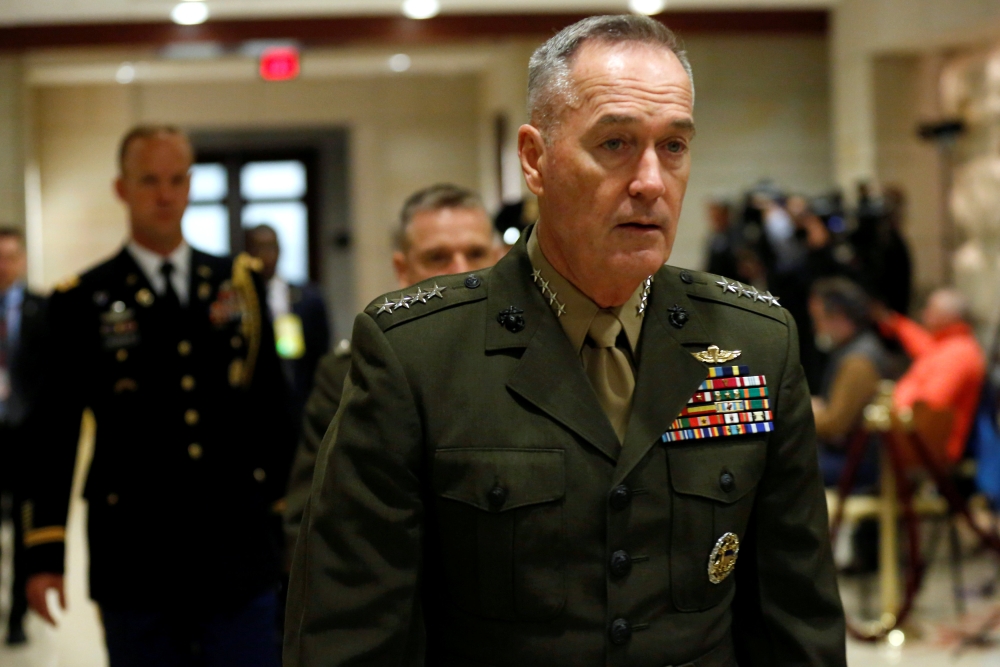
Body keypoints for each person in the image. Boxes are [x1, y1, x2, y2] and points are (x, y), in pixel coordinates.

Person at [285, 15, 845, 666]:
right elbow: (349, 634)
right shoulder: (416, 352)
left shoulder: (754, 339)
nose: (650, 182)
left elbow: (796, 620)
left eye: (673, 147)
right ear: (535, 158)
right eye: (614, 143)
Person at [21, 125, 295, 666]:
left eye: (176, 180)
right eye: (149, 180)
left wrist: (292, 520)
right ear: (122, 189)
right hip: (134, 548)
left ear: (191, 186)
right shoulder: (82, 299)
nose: (165, 195)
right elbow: (54, 429)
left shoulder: (236, 282)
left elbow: (274, 410)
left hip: (235, 538)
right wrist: (45, 550)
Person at [282, 183, 499, 547]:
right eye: (438, 257)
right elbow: (311, 517)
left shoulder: (539, 356)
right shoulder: (350, 374)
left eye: (476, 254)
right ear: (403, 269)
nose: (461, 272)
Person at [875, 288, 986, 465]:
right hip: (911, 434)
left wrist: (894, 412)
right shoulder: (945, 343)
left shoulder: (958, 354)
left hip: (925, 445)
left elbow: (930, 408)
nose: (923, 313)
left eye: (930, 309)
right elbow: (919, 341)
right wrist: (895, 323)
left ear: (947, 316)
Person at [0, 227, 46, 645]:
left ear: (23, 260)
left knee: (22, 529)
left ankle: (16, 616)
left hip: (24, 436)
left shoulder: (40, 309)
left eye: (10, 257)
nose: (3, 265)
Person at [245, 224, 331, 431]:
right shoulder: (238, 300)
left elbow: (320, 355)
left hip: (297, 402)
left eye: (270, 247)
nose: (264, 255)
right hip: (252, 405)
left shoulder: (306, 298)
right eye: (257, 248)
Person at [808, 278, 889, 487]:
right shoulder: (857, 348)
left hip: (858, 467)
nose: (817, 327)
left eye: (818, 318)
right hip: (849, 458)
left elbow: (836, 425)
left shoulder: (858, 361)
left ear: (838, 316)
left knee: (772, 465)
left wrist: (791, 415)